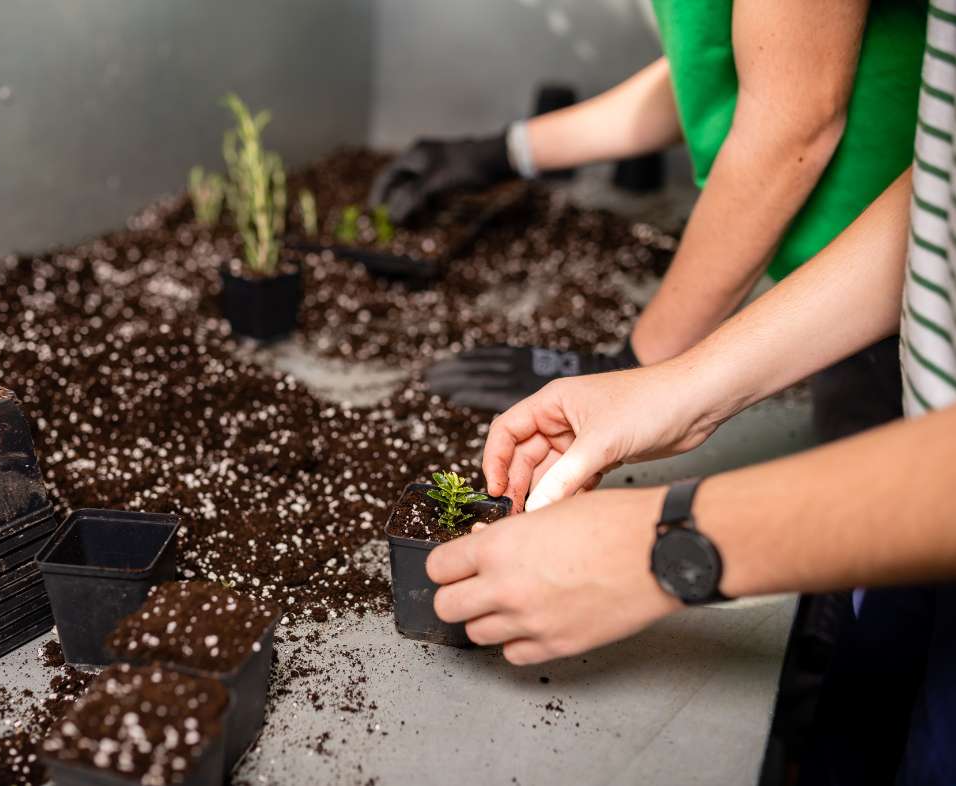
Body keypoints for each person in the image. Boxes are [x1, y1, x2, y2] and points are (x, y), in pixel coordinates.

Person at [423, 4, 956, 775]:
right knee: (865, 708)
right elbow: (938, 204)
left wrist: (668, 547)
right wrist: (678, 388)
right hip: (915, 468)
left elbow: (791, 121)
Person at [372, 0, 924, 420]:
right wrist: (507, 150)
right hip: (827, 286)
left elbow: (788, 130)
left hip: (890, 296)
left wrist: (637, 362)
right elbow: (725, 65)